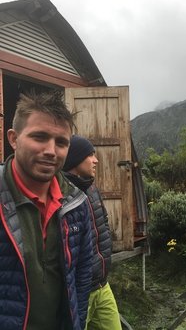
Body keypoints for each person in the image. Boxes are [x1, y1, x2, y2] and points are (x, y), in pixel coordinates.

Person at [0, 91, 94, 329]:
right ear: (13, 138)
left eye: (61, 142)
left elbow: (82, 276)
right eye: (39, 137)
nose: (51, 150)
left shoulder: (78, 203)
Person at [62, 135, 122, 330]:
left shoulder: (92, 189)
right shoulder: (63, 196)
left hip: (103, 286)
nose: (96, 160)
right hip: (80, 292)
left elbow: (103, 222)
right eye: (90, 155)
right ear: (75, 159)